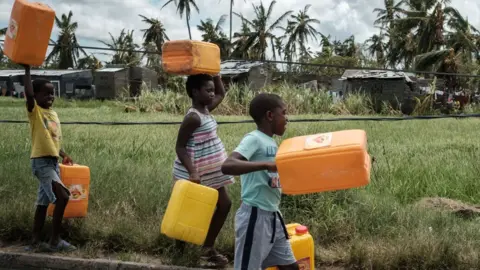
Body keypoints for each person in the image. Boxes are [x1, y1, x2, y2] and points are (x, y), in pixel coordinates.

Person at [221, 93, 299, 270]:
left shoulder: (271, 142)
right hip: (255, 218)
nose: (287, 119)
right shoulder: (254, 138)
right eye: (284, 113)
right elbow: (228, 165)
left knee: (291, 267)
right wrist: (266, 165)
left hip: (272, 215)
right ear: (270, 115)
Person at [172, 74, 234, 267]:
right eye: (208, 90)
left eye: (211, 89)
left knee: (224, 204)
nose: (212, 93)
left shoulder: (206, 109)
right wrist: (192, 172)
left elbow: (222, 93)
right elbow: (180, 147)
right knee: (187, 211)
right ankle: (180, 252)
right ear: (195, 92)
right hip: (195, 171)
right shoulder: (193, 117)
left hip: (211, 172)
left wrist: (215, 74)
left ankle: (207, 248)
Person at [23, 64, 76, 252]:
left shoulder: (53, 114)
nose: (50, 97)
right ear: (36, 96)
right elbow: (28, 96)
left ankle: (35, 241)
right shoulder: (35, 111)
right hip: (41, 162)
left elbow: (53, 139)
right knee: (63, 196)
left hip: (52, 162)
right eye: (46, 94)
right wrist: (27, 70)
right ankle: (55, 239)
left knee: (42, 204)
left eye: (52, 94)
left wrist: (63, 154)